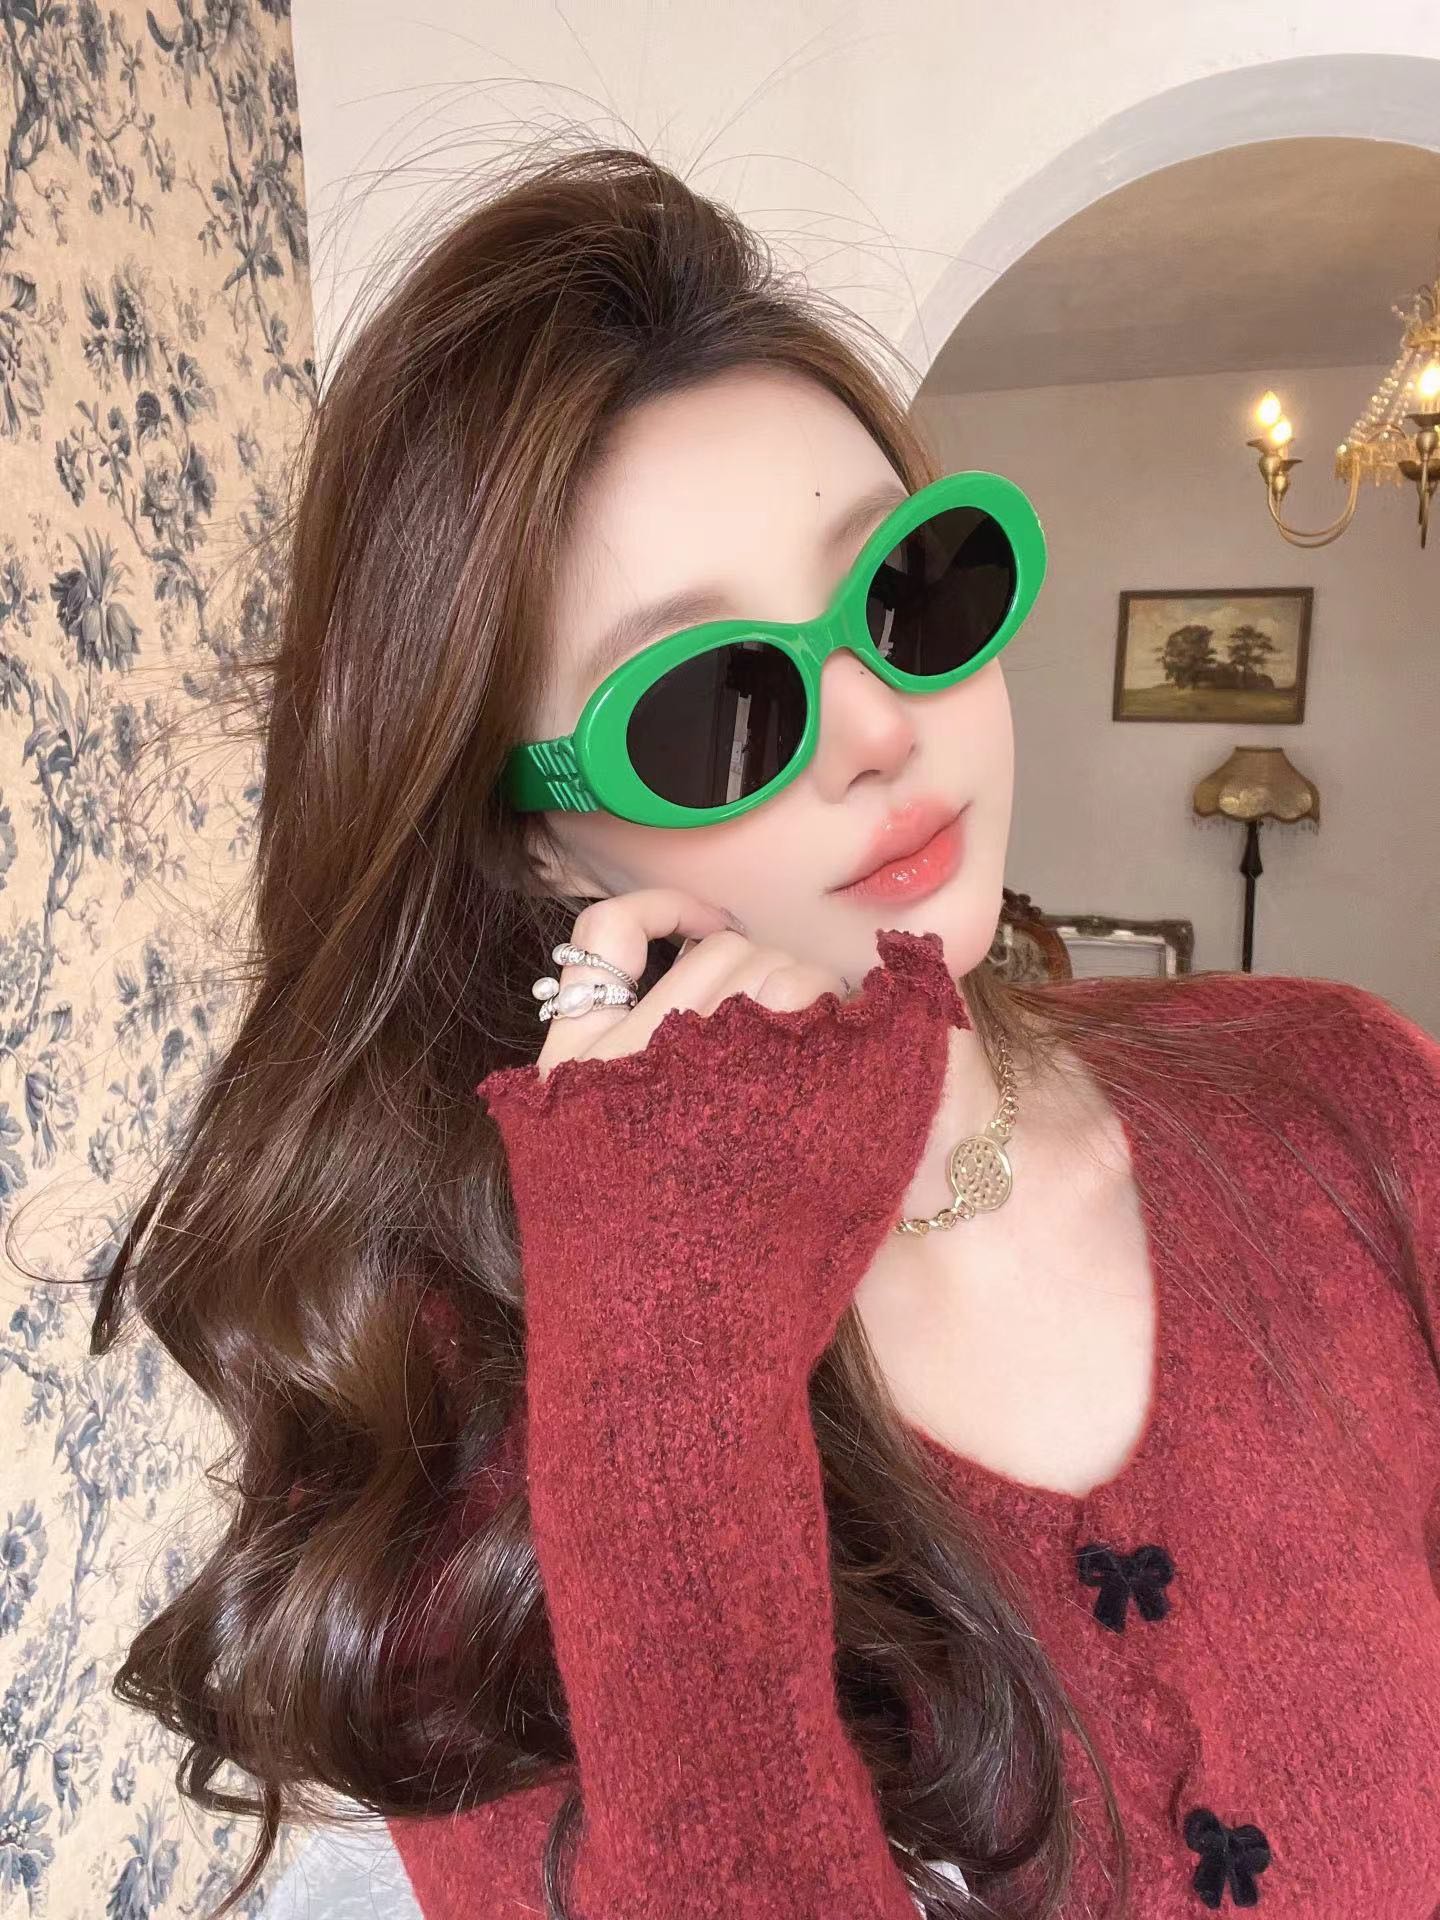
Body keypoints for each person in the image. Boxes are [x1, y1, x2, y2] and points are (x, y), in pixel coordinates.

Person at [91, 140, 1440, 1920]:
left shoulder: (1348, 1094)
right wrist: (670, 1398)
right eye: (714, 703)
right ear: (543, 838)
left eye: (912, 587)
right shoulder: (474, 1421)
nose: (881, 728)